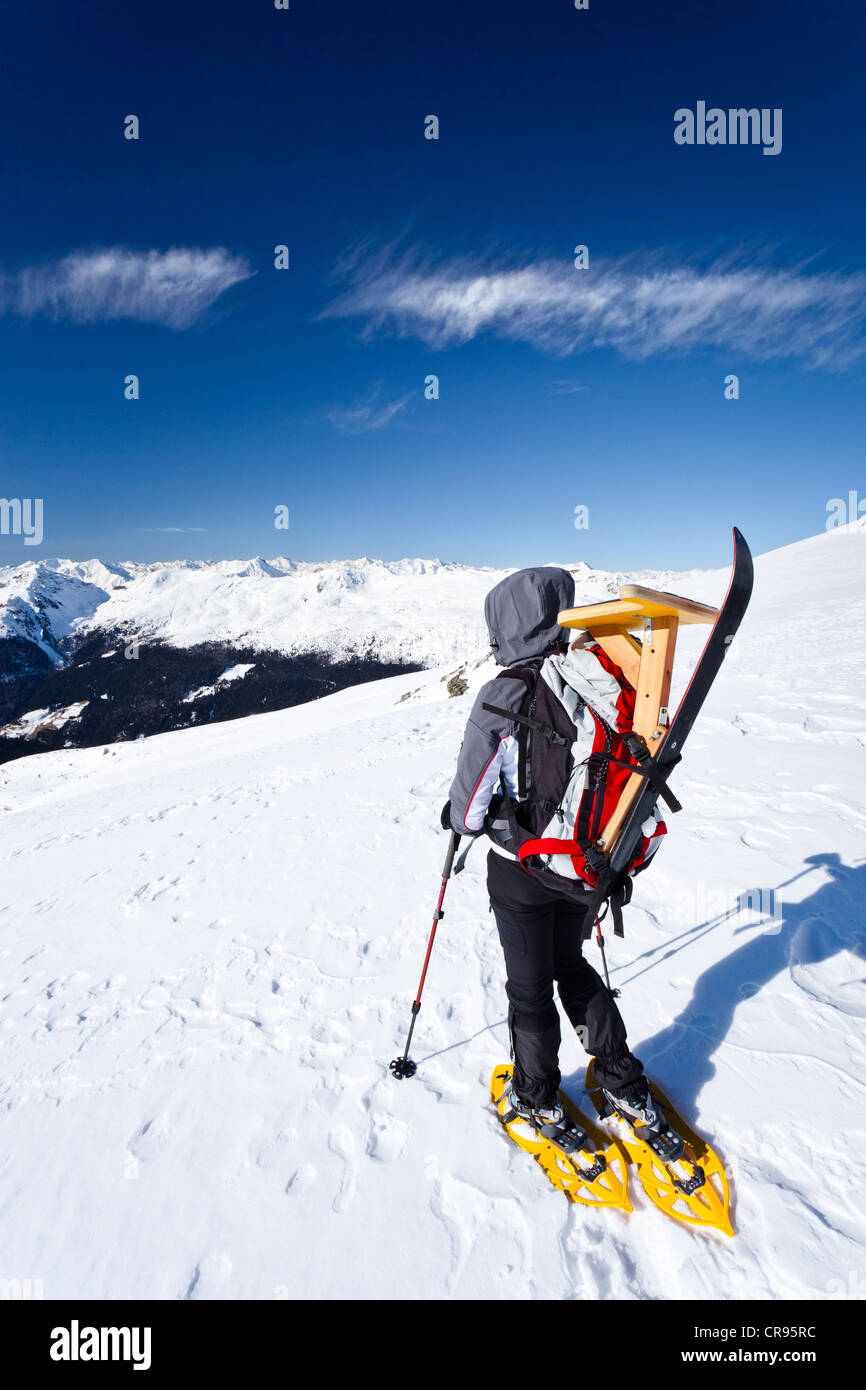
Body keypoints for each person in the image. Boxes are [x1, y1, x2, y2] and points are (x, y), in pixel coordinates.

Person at [442, 566, 670, 1154]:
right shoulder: (599, 676)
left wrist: (467, 818)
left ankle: (537, 1096)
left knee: (529, 989)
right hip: (589, 866)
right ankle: (623, 1084)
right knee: (570, 964)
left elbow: (468, 809)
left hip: (523, 868)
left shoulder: (504, 693)